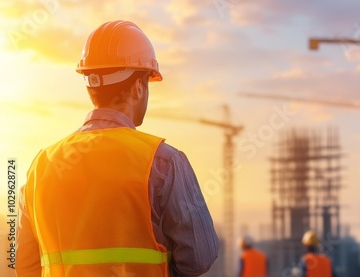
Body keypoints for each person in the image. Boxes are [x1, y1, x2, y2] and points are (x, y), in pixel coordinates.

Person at [15, 20, 219, 277]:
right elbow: (199, 257)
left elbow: (25, 266)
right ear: (137, 88)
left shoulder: (40, 166)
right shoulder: (163, 161)